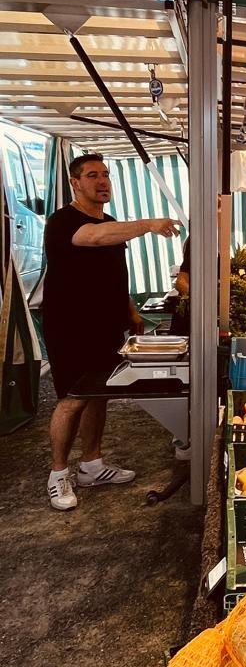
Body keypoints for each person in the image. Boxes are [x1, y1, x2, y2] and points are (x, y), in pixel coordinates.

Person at [42, 152, 181, 511]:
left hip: (105, 325)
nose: (102, 181)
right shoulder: (63, 221)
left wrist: (130, 309)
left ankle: (91, 465)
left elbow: (114, 271)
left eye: (105, 174)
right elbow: (92, 238)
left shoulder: (112, 221)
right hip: (70, 327)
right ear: (75, 183)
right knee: (72, 399)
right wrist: (148, 224)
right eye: (92, 175)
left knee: (99, 395)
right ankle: (58, 474)